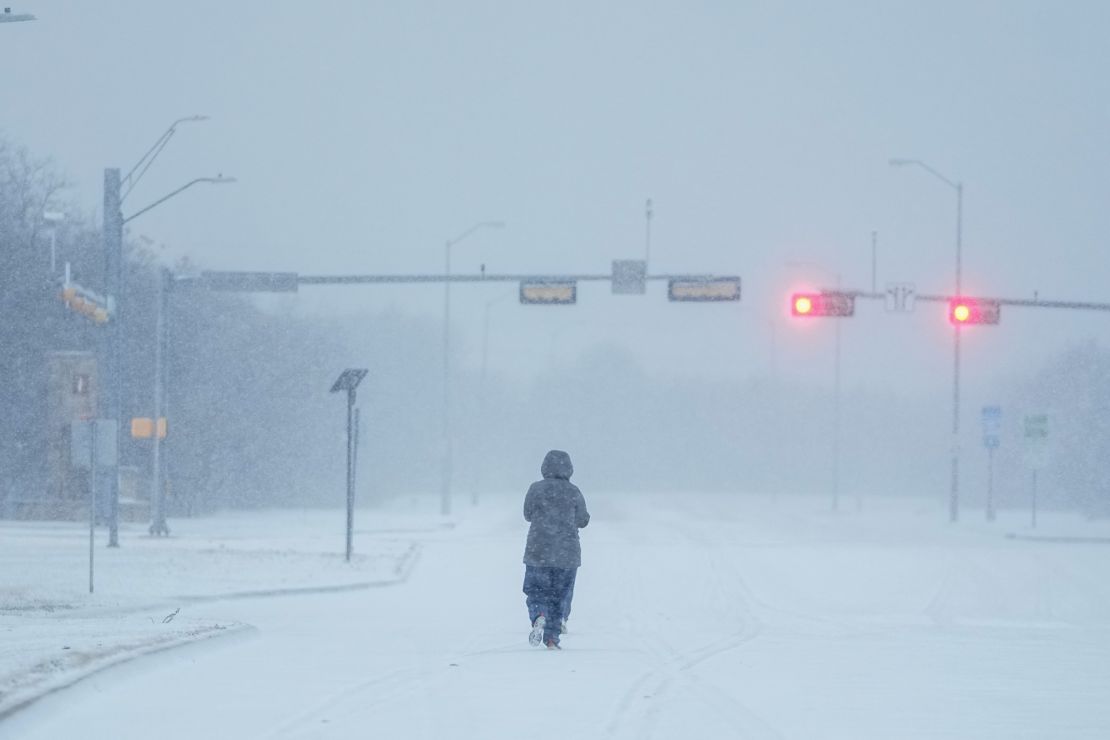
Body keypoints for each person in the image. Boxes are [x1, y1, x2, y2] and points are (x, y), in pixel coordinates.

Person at [522, 449, 589, 649]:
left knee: (536, 590)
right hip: (566, 554)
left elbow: (527, 514)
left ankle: (539, 615)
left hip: (538, 551)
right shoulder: (574, 491)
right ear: (569, 469)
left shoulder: (536, 489)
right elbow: (582, 520)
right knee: (559, 595)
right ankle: (552, 638)